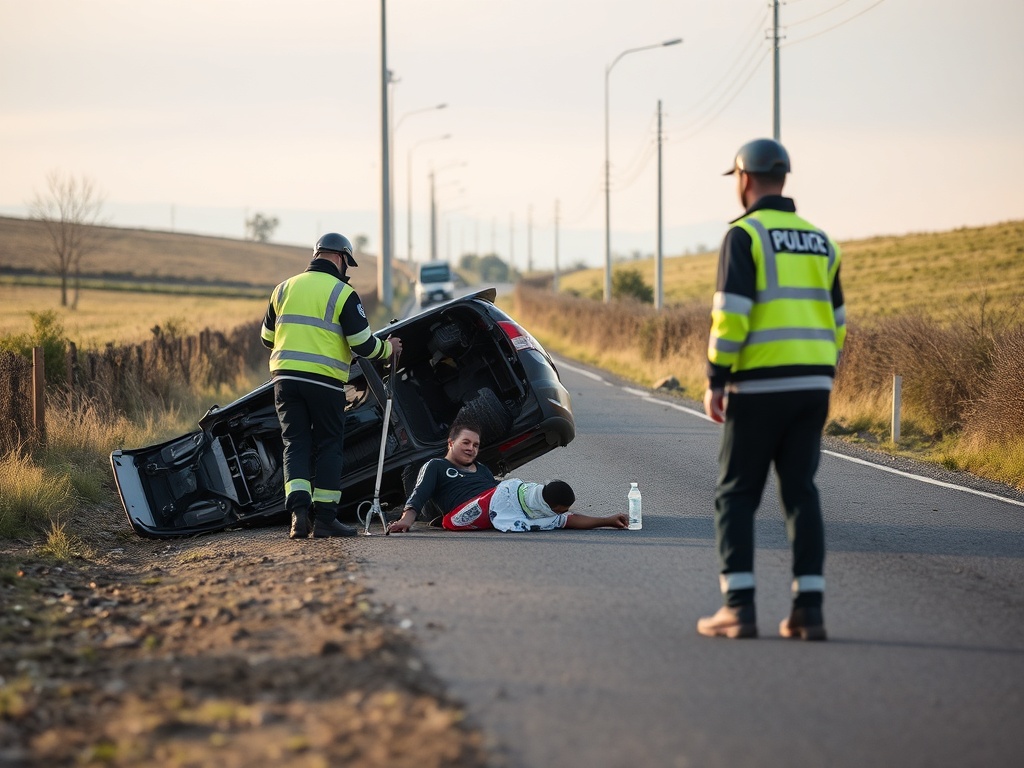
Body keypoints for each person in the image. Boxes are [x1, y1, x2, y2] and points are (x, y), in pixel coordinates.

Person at [697, 138, 845, 641]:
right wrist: (821, 373)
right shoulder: (822, 241)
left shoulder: (745, 236)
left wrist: (717, 378)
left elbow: (732, 314)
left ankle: (737, 608)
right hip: (814, 383)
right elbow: (838, 322)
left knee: (736, 494)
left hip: (759, 385)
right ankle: (809, 610)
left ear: (744, 179)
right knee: (801, 491)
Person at [261, 232, 402, 539]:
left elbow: (267, 339)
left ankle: (298, 516)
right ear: (340, 259)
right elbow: (363, 345)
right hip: (323, 381)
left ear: (317, 254)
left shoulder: (283, 288)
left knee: (295, 444)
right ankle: (325, 519)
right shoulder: (342, 293)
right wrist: (389, 349)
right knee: (328, 447)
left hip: (284, 380)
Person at [386, 422, 628, 533]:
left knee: (552, 503)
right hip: (465, 510)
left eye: (476, 445)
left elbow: (504, 498)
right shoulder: (437, 466)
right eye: (465, 443)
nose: (471, 448)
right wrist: (407, 520)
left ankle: (599, 518)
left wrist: (606, 521)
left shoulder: (481, 469)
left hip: (495, 503)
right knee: (520, 492)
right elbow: (419, 494)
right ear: (451, 443)